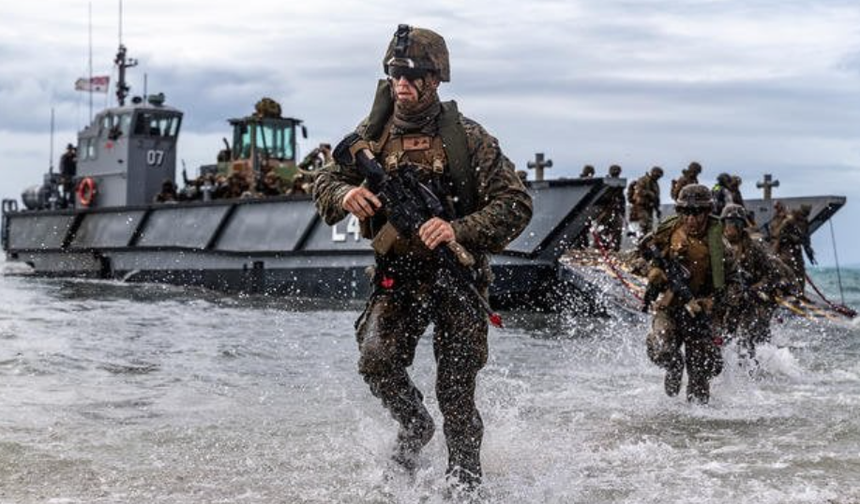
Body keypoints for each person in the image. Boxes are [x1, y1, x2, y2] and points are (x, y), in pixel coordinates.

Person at [313, 24, 532, 490]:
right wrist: (346, 192)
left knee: (455, 395)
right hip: (399, 277)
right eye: (395, 74)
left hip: (457, 278)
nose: (402, 83)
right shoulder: (369, 138)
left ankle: (466, 487)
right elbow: (323, 182)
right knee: (376, 361)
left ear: (436, 80)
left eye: (413, 75)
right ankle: (414, 426)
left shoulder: (470, 140)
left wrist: (457, 228)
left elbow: (516, 204)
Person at [640, 184, 734, 404]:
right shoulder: (666, 232)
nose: (691, 219)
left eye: (697, 212)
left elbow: (736, 284)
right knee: (661, 347)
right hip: (670, 307)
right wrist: (652, 271)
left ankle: (698, 431)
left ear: (707, 211)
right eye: (685, 212)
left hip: (700, 313)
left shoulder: (720, 246)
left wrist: (713, 301)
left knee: (701, 377)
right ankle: (673, 366)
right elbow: (638, 257)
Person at [720, 204, 792, 359]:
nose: (731, 227)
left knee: (746, 340)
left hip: (749, 300)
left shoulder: (753, 247)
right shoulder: (716, 246)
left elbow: (772, 274)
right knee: (722, 339)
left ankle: (751, 374)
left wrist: (754, 288)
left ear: (742, 226)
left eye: (736, 223)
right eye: (728, 222)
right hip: (724, 300)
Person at [775, 205, 816, 293]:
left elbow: (806, 238)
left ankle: (800, 292)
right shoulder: (790, 220)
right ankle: (784, 291)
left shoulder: (805, 222)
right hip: (785, 248)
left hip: (796, 249)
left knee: (800, 270)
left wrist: (809, 251)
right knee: (787, 268)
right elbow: (777, 233)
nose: (804, 216)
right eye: (803, 214)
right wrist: (790, 237)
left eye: (806, 214)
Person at [595, 164, 625, 251]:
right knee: (603, 229)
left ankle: (615, 248)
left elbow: (621, 199)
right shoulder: (605, 184)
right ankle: (600, 247)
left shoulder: (619, 185)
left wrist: (622, 211)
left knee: (617, 229)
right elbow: (601, 198)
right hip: (604, 211)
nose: (616, 173)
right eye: (614, 171)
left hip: (615, 211)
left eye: (617, 171)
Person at [628, 166, 663, 235]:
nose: (657, 178)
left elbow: (656, 198)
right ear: (653, 173)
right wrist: (649, 193)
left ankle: (646, 240)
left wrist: (657, 209)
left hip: (649, 208)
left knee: (649, 226)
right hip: (640, 207)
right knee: (644, 224)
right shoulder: (643, 180)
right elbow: (639, 190)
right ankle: (640, 237)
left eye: (659, 177)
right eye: (657, 175)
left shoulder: (655, 184)